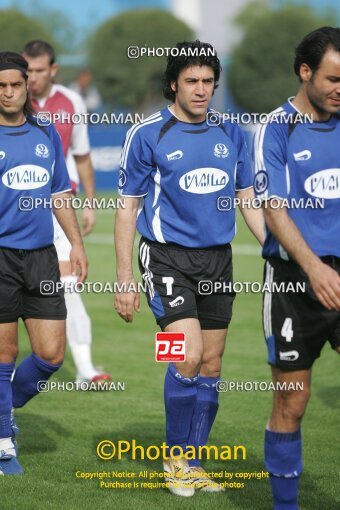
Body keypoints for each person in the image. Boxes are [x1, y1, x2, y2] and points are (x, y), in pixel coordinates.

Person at [114, 40, 265, 496]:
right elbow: (126, 209)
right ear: (173, 84)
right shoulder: (147, 133)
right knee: (186, 355)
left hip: (218, 260)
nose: (201, 90)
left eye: (208, 81)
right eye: (191, 81)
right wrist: (123, 280)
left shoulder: (233, 132)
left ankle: (195, 462)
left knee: (213, 362)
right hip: (163, 258)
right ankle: (174, 460)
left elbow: (247, 201)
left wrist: (277, 249)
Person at [253, 26, 340, 510]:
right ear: (305, 72)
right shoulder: (276, 128)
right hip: (293, 282)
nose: (339, 88)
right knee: (293, 400)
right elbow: (274, 207)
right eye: (332, 78)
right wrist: (314, 268)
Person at [0, 51, 87, 475]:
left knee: (51, 354)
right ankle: (3, 444)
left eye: (16, 84)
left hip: (42, 258)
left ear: (27, 86)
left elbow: (59, 195)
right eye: (1, 86)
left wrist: (76, 245)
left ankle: (3, 407)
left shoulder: (45, 131)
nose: (10, 92)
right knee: (4, 352)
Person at [22, 40, 111, 387]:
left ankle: (85, 369)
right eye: (26, 72)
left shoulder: (71, 103)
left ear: (53, 70)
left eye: (39, 71)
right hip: (16, 209)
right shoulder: (10, 99)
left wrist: (90, 201)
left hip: (59, 208)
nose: (31, 79)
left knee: (68, 286)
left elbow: (83, 154)